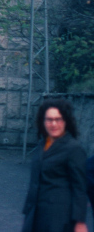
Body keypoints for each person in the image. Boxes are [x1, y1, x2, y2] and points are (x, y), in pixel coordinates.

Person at [22, 97, 88, 232]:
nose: (53, 124)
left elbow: (80, 188)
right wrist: (27, 212)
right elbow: (35, 181)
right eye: (49, 119)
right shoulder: (42, 145)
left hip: (59, 219)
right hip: (36, 214)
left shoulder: (74, 149)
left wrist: (80, 222)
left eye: (58, 119)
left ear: (66, 121)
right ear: (43, 121)